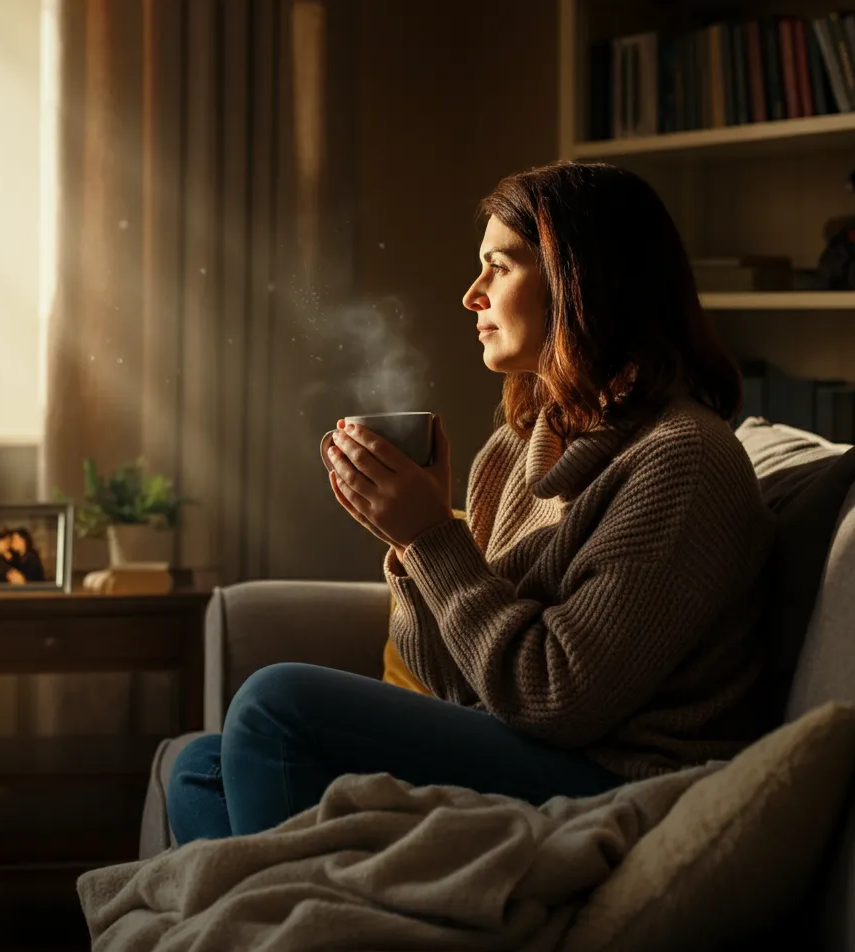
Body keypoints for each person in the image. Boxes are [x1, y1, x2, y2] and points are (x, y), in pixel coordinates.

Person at [166, 160, 775, 844]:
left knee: (275, 706)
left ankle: (295, 938)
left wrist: (431, 538)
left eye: (500, 266)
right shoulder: (512, 453)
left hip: (621, 784)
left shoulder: (684, 459)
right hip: (527, 748)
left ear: (583, 282)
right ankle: (283, 933)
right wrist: (407, 544)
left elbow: (555, 698)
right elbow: (455, 685)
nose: (471, 295)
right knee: (198, 767)